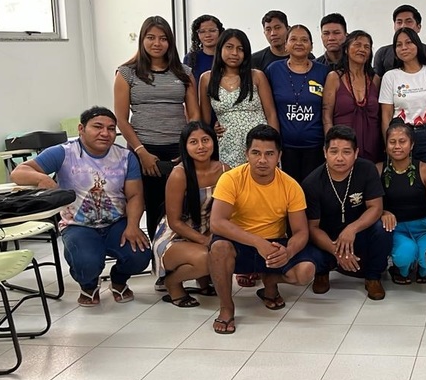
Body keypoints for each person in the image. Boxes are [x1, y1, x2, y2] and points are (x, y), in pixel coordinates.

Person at [10, 107, 149, 307]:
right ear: (81, 129)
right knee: (86, 262)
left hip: (116, 222)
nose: (105, 133)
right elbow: (18, 172)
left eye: (111, 128)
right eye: (98, 127)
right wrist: (42, 179)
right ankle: (89, 285)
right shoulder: (64, 152)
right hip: (77, 225)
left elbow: (135, 195)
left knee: (140, 255)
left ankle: (119, 280)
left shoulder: (125, 157)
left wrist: (133, 226)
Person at [208, 125, 314, 334]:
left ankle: (271, 281)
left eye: (269, 154)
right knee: (219, 248)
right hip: (240, 244)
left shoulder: (291, 185)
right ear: (246, 154)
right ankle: (226, 307)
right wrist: (257, 242)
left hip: (275, 245)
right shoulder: (231, 178)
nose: (262, 160)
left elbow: (301, 231)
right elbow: (217, 222)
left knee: (305, 271)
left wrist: (288, 252)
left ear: (279, 156)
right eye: (256, 153)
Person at [114, 15, 199, 240]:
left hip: (179, 149)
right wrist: (141, 152)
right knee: (153, 206)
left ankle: (184, 253)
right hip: (144, 149)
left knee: (183, 206)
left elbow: (194, 115)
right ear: (142, 39)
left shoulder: (184, 72)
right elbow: (121, 119)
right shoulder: (126, 73)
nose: (157, 43)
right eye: (151, 37)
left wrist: (187, 148)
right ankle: (158, 256)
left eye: (163, 38)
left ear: (170, 41)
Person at [303, 126, 392, 301]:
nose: (339, 158)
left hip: (358, 233)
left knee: (383, 228)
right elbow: (313, 227)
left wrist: (352, 229)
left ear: (356, 153)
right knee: (309, 241)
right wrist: (336, 251)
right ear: (325, 152)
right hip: (328, 238)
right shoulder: (312, 182)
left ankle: (373, 277)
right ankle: (322, 272)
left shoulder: (367, 169)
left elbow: (376, 207)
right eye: (334, 151)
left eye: (346, 152)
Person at [151, 121, 227, 307]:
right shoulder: (179, 174)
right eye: (193, 142)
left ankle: (203, 281)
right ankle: (172, 283)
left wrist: (213, 235)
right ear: (185, 146)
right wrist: (205, 240)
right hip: (175, 235)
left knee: (226, 250)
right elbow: (174, 222)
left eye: (205, 140)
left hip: (209, 229)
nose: (201, 146)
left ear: (214, 141)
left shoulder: (225, 170)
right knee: (206, 258)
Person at [199, 28, 278, 167]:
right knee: (232, 179)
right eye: (229, 47)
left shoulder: (257, 76)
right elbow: (204, 122)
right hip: (228, 146)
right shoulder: (206, 79)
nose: (234, 53)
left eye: (240, 49)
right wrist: (213, 130)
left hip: (260, 143)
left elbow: (271, 114)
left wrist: (275, 145)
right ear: (220, 48)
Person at [379, 27, 426, 174]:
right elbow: (386, 115)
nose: (404, 47)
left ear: (417, 45)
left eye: (408, 42)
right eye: (399, 45)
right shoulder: (390, 76)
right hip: (401, 137)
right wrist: (389, 145)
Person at [266, 24, 330, 183]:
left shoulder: (324, 72)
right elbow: (266, 107)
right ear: (286, 45)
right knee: (287, 190)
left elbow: (328, 109)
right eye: (293, 39)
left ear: (311, 46)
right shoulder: (273, 70)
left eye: (304, 40)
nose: (299, 43)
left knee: (312, 190)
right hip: (284, 147)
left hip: (316, 146)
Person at [377, 120, 426, 284]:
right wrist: (383, 212)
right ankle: (401, 269)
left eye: (402, 141)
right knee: (406, 254)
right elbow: (371, 204)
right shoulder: (378, 170)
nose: (397, 146)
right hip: (396, 227)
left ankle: (423, 269)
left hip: (424, 226)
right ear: (386, 145)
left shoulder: (425, 170)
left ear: (412, 145)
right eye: (392, 142)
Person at [322, 30, 383, 163]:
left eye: (367, 47)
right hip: (342, 146)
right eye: (357, 45)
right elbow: (326, 116)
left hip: (373, 145)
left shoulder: (375, 79)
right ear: (346, 49)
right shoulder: (334, 77)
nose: (362, 49)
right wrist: (331, 145)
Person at [373, 4, 426, 77]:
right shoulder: (382, 53)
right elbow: (376, 81)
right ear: (394, 26)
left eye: (409, 22)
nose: (403, 25)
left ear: (418, 27)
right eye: (399, 22)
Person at [184, 14, 224, 83]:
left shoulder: (228, 57)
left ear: (220, 32)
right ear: (197, 35)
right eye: (202, 31)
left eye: (212, 31)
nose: (207, 35)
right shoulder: (190, 58)